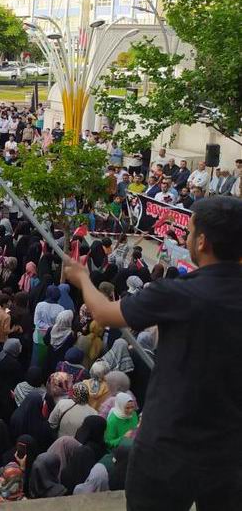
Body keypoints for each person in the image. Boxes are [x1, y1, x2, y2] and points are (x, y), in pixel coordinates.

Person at [64, 196, 242, 510]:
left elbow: (104, 313)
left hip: (168, 448)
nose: (185, 239)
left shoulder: (177, 293)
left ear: (202, 241)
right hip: (228, 452)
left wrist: (82, 278)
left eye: (189, 233)